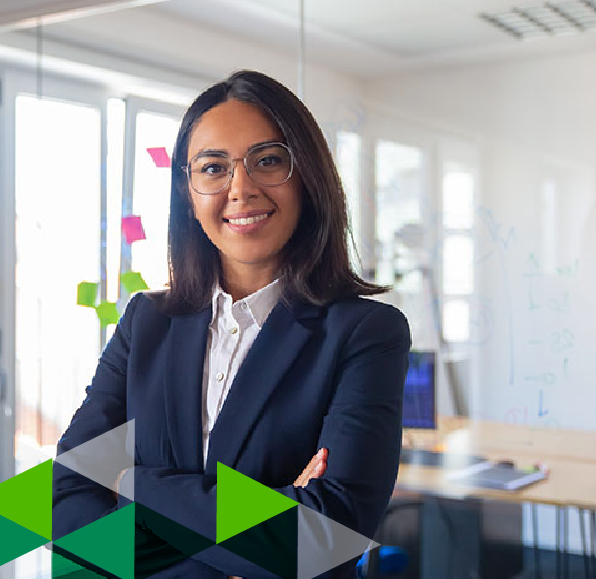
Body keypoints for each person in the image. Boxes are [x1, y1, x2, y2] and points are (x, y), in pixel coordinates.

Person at [53, 70, 411, 579]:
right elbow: (67, 508)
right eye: (213, 167)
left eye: (267, 161)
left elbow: (325, 537)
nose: (241, 188)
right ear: (188, 191)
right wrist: (266, 525)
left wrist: (128, 484)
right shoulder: (145, 323)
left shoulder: (366, 333)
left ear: (306, 176)